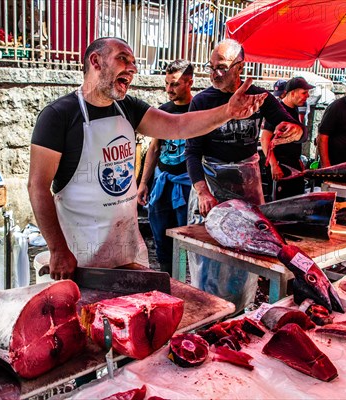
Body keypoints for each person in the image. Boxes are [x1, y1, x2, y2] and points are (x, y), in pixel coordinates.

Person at [28, 37, 266, 281]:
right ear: (95, 61)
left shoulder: (128, 108)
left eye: (133, 62)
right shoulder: (58, 116)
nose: (132, 68)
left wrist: (228, 112)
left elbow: (179, 125)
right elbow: (37, 187)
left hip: (125, 250)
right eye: (123, 59)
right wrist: (57, 249)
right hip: (77, 257)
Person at [185, 39, 304, 311]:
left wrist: (292, 129)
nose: (215, 74)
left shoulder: (260, 97)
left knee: (247, 254)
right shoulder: (202, 101)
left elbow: (293, 124)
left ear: (241, 67)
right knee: (211, 258)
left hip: (247, 183)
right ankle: (210, 312)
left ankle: (240, 310)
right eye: (211, 67)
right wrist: (202, 192)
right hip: (212, 183)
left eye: (223, 68)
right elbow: (191, 152)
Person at [136, 60, 194, 274]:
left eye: (175, 84)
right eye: (167, 84)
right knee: (161, 238)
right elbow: (154, 148)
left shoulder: (198, 111)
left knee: (187, 240)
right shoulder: (163, 111)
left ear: (189, 82)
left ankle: (185, 284)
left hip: (188, 186)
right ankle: (166, 282)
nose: (169, 90)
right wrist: (143, 183)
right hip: (162, 184)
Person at [261, 77, 313, 200]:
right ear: (293, 92)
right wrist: (274, 165)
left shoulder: (295, 110)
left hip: (293, 163)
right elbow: (265, 139)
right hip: (280, 165)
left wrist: (297, 159)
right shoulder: (277, 110)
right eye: (304, 92)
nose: (307, 96)